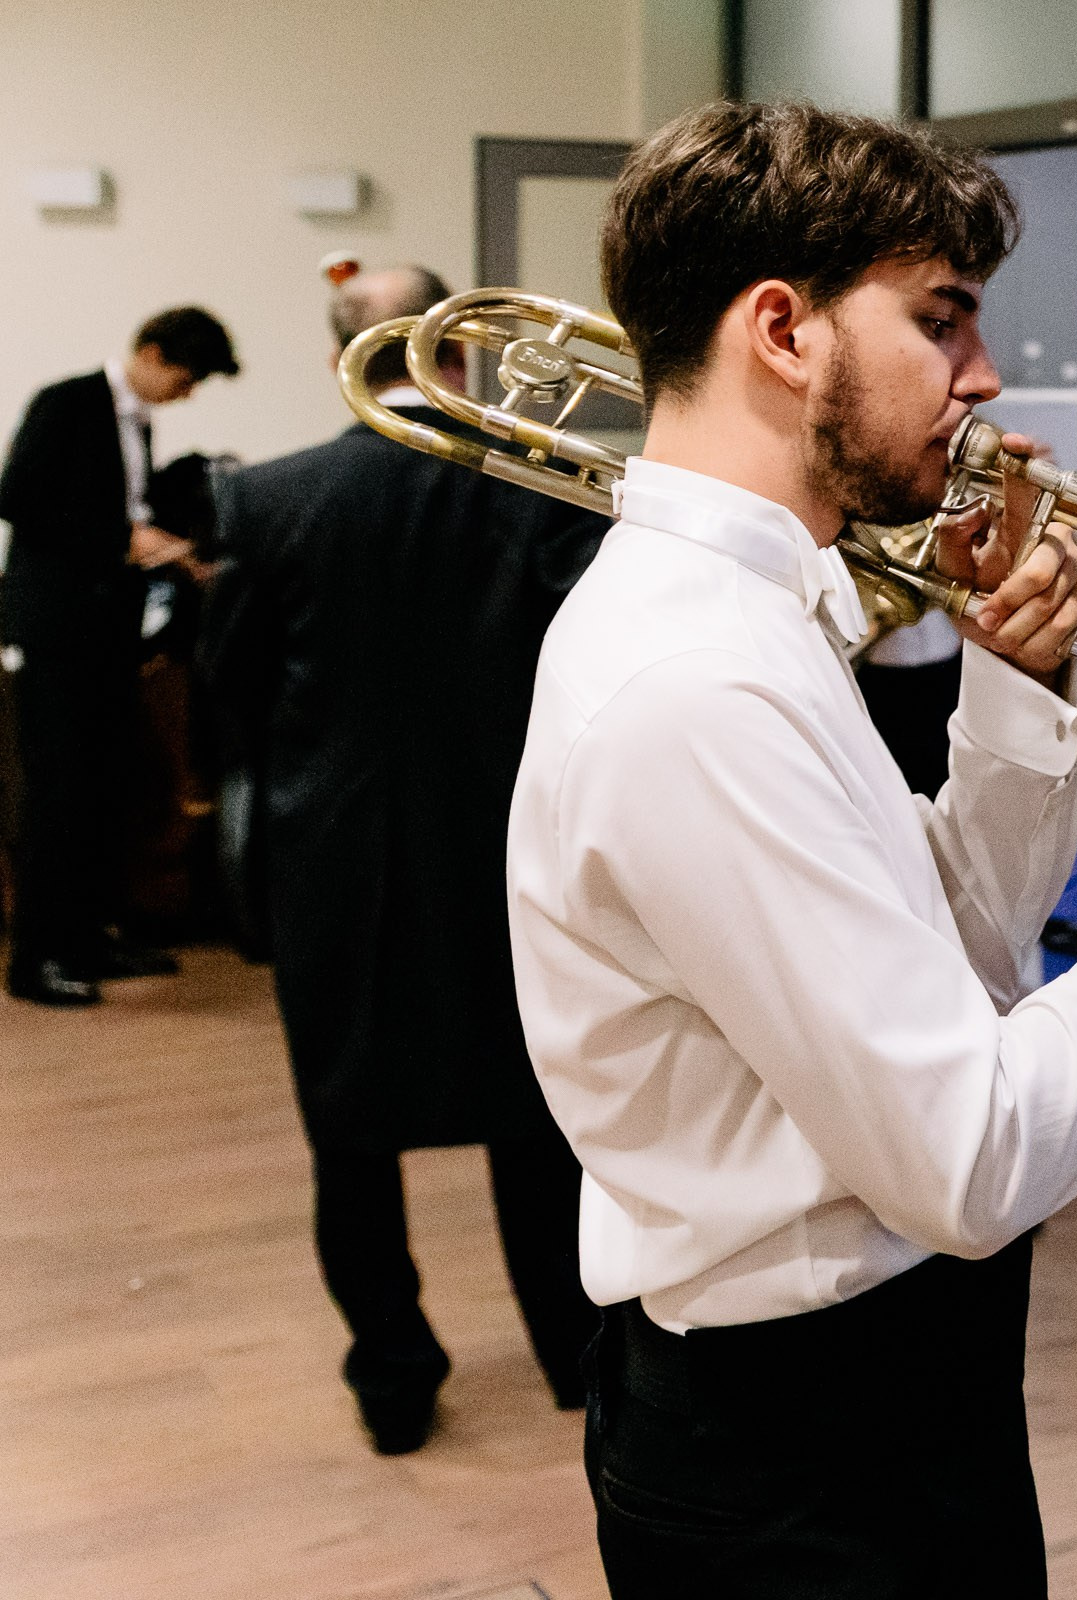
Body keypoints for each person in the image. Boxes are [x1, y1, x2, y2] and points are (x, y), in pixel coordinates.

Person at [505, 101, 1077, 1598]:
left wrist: (1015, 692)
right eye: (943, 320)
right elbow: (965, 1154)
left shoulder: (756, 624)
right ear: (782, 330)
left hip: (884, 1393)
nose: (983, 382)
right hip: (796, 1446)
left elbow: (950, 969)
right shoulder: (700, 679)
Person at [198, 266, 610, 1454]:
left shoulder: (272, 500)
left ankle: (393, 1375)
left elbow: (232, 689)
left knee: (351, 1133)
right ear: (460, 350)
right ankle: (572, 1358)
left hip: (337, 862)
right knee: (538, 1121)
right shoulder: (543, 494)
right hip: (506, 851)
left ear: (343, 345)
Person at [0, 307, 238, 1005]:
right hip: (56, 629)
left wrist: (167, 548)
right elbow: (17, 497)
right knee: (59, 793)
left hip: (108, 627)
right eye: (186, 376)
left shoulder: (135, 422)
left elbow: (114, 508)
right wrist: (125, 540)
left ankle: (89, 938)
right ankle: (38, 958)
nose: (187, 392)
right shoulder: (68, 400)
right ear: (153, 352)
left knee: (105, 787)